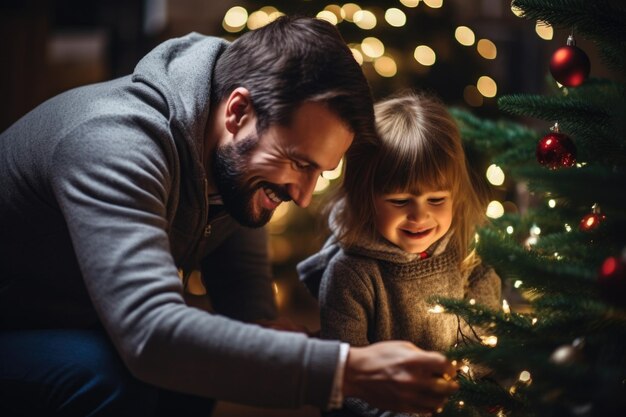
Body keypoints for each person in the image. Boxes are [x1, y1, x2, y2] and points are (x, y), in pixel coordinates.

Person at [0, 17, 458, 417]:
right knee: (105, 375)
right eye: (299, 162)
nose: (302, 196)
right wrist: (346, 371)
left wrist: (331, 342)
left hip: (77, 322)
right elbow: (151, 335)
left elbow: (248, 321)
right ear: (238, 111)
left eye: (320, 172)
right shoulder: (114, 142)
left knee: (201, 371)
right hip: (17, 327)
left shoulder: (231, 168)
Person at [298, 91, 502, 417]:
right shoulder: (350, 275)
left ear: (456, 195)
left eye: (436, 200)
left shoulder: (468, 258)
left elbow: (483, 353)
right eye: (399, 201)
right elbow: (350, 377)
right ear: (366, 196)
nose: (419, 217)